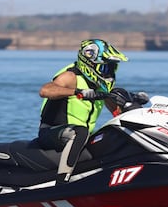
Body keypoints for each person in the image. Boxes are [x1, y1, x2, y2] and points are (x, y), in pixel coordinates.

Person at [38, 38, 129, 184]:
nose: (109, 72)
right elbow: (45, 90)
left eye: (112, 68)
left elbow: (117, 112)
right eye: (105, 68)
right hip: (52, 133)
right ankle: (61, 183)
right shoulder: (70, 77)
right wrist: (77, 92)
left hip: (81, 137)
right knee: (80, 132)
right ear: (91, 63)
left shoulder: (101, 86)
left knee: (111, 134)